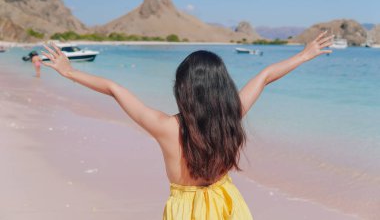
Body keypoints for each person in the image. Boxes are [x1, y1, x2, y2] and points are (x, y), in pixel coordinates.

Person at [41, 31, 333, 220]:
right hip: (226, 203)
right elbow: (266, 75)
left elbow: (114, 89)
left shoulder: (165, 127)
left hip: (185, 211)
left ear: (183, 90)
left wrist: (70, 73)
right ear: (222, 89)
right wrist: (304, 55)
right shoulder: (231, 116)